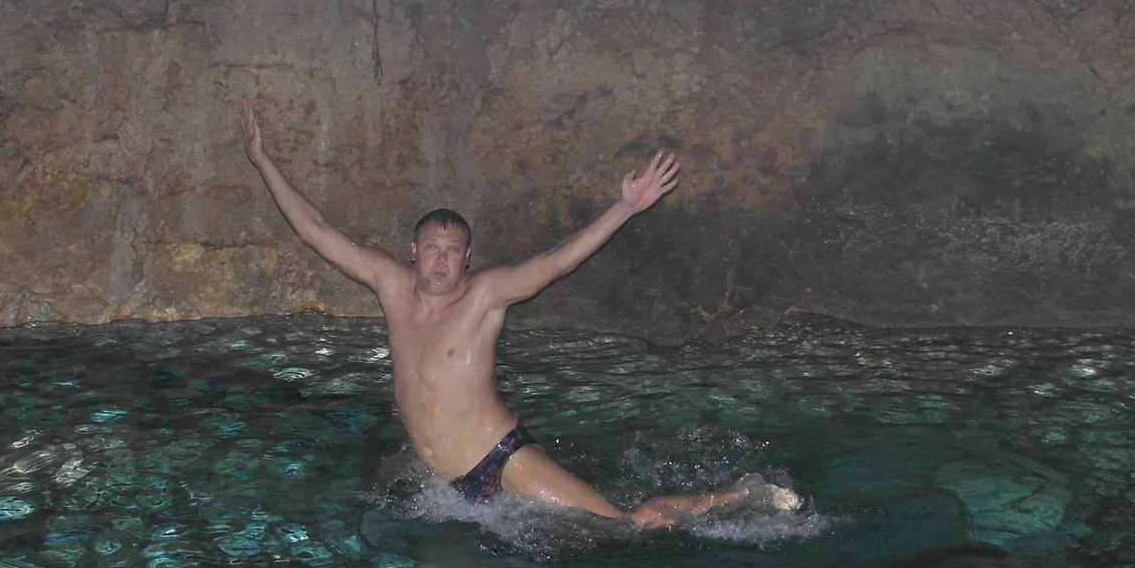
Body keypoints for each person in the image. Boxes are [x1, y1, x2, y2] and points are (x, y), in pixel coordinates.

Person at [239, 98, 803, 527]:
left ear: (467, 257)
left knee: (623, 528)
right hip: (443, 477)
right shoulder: (389, 284)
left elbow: (556, 262)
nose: (441, 259)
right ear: (413, 253)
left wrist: (624, 209)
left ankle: (742, 494)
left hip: (498, 460)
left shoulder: (484, 295)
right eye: (431, 248)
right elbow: (315, 230)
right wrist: (261, 159)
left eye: (452, 249)